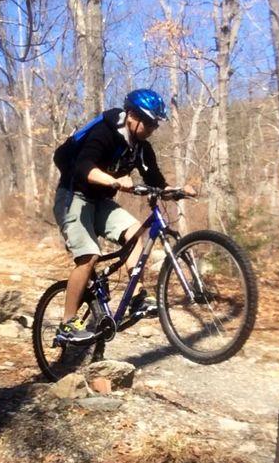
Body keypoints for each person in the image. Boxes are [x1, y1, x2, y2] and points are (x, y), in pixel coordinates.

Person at [53, 88, 196, 344]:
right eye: (150, 122)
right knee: (88, 256)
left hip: (100, 201)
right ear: (132, 115)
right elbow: (84, 167)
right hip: (73, 196)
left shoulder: (142, 149)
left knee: (134, 233)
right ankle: (67, 324)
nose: (153, 128)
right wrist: (116, 181)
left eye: (156, 123)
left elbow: (156, 182)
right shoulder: (105, 133)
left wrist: (177, 191)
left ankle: (138, 297)